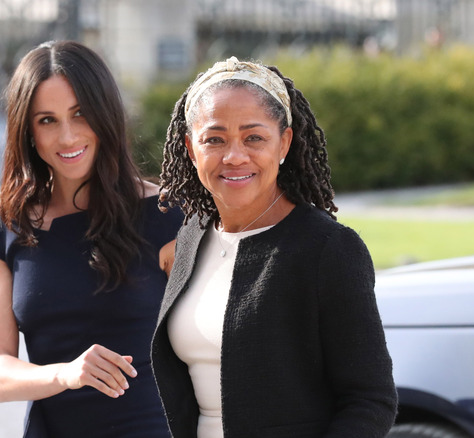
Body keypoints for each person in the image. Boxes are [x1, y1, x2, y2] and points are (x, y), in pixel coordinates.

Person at [151, 56, 398, 438]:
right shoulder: (191, 238)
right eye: (214, 139)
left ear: (284, 142)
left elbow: (370, 399)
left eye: (254, 138)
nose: (234, 156)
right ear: (190, 148)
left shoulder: (328, 249)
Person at [0, 41, 181, 437]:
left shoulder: (167, 215)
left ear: (105, 115)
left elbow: (211, 351)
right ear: (27, 131)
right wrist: (66, 374)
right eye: (47, 120)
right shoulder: (2, 222)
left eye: (80, 114)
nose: (67, 137)